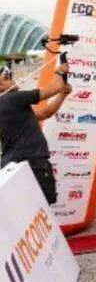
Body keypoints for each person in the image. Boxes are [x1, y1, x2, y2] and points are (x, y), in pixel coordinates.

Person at [0, 62, 70, 203]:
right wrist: (60, 72)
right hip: (31, 162)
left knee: (25, 208)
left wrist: (63, 94)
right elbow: (54, 87)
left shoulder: (9, 104)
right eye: (7, 76)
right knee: (43, 203)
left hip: (13, 166)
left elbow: (45, 113)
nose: (13, 78)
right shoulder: (11, 98)